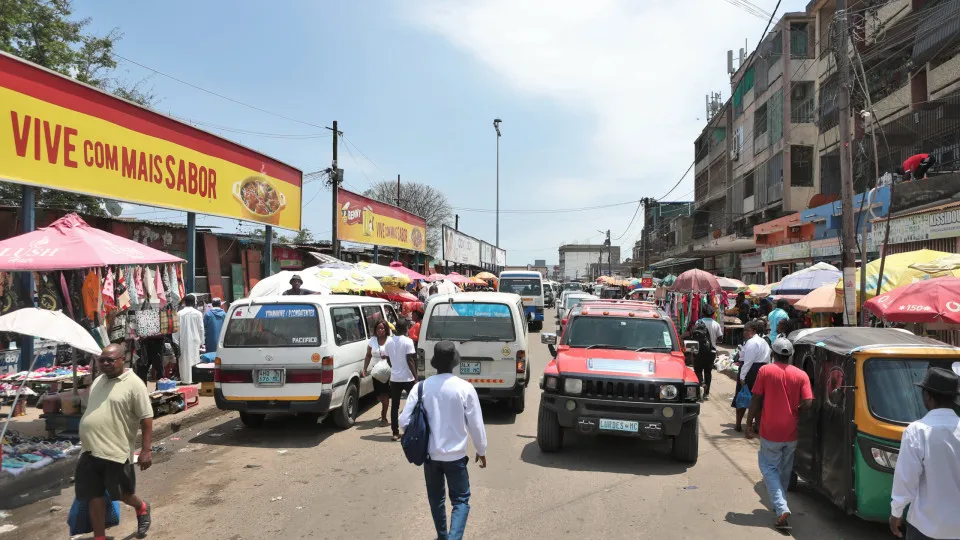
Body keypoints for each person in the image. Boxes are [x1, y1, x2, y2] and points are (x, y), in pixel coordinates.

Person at [399, 341, 487, 540]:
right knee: (461, 500)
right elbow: (476, 424)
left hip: (430, 456)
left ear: (435, 363)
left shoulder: (420, 388)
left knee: (436, 499)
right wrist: (481, 450)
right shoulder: (465, 388)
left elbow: (403, 421)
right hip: (456, 457)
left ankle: (442, 536)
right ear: (454, 363)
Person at [76, 344, 154, 539]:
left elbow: (146, 418)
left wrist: (146, 450)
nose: (105, 363)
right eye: (102, 360)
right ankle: (99, 537)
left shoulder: (134, 383)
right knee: (94, 496)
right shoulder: (98, 380)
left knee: (123, 494)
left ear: (122, 360)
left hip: (115, 452)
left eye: (110, 360)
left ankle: (142, 507)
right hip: (89, 451)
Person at [744, 337, 813, 531]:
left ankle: (781, 507)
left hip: (770, 430)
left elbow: (756, 398)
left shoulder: (765, 371)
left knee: (768, 468)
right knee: (784, 469)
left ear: (773, 355)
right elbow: (808, 403)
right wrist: (795, 411)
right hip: (791, 431)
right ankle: (779, 506)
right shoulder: (801, 375)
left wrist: (748, 424)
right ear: (790, 356)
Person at [889, 367, 960, 540]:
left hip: (925, 526)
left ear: (928, 396)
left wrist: (896, 513)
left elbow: (905, 480)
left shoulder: (917, 431)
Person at [733, 320, 770, 432]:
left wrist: (742, 377)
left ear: (754, 331)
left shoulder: (752, 343)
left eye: (747, 330)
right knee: (758, 399)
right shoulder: (763, 342)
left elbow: (748, 362)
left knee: (742, 397)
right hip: (761, 371)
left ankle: (739, 424)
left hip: (751, 371)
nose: (745, 332)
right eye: (744, 330)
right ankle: (757, 426)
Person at [387, 318, 418, 441]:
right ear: (406, 329)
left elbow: (389, 360)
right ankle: (412, 429)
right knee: (414, 404)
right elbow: (410, 360)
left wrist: (395, 368)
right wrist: (415, 377)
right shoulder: (408, 341)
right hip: (408, 378)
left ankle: (395, 433)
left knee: (395, 406)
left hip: (395, 378)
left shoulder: (389, 342)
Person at [684, 305, 722, 399]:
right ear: (713, 314)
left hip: (698, 351)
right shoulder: (716, 324)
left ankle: (700, 386)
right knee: (708, 372)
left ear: (703, 313)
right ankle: (706, 392)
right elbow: (720, 339)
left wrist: (692, 353)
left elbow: (694, 338)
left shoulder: (698, 322)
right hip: (711, 352)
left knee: (698, 370)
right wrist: (712, 340)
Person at [361, 319, 392, 427]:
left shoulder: (390, 341)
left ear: (386, 329)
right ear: (375, 329)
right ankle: (384, 409)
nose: (380, 330)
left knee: (385, 395)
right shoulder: (372, 340)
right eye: (378, 328)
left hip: (387, 371)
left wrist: (388, 357)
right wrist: (364, 369)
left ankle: (384, 418)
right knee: (378, 396)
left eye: (382, 328)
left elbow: (395, 356)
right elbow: (368, 355)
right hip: (376, 372)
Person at [172, 295, 204, 385]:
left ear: (184, 302)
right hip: (195, 340)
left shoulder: (179, 313)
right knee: (195, 359)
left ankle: (185, 380)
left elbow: (176, 329)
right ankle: (195, 378)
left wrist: (176, 342)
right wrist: (202, 341)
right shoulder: (198, 313)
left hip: (183, 340)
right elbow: (201, 328)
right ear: (194, 302)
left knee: (184, 360)